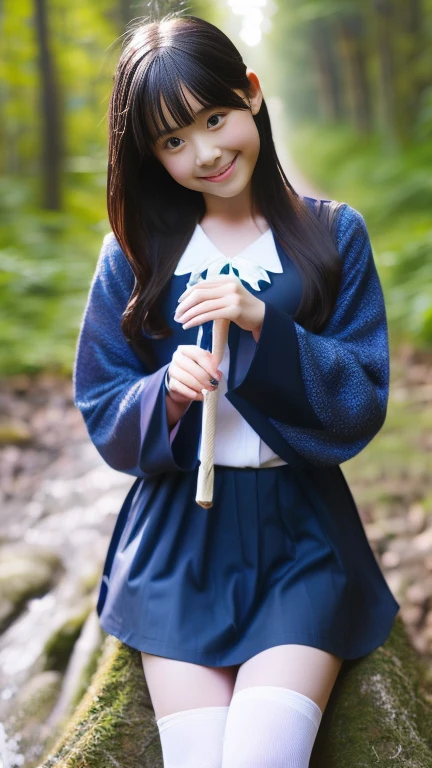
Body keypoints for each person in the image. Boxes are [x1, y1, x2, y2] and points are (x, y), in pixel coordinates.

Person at [73, 12, 400, 768]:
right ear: (150, 155)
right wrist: (168, 394)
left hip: (303, 541)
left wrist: (264, 327)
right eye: (173, 140)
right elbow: (101, 405)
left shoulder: (332, 236)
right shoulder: (133, 256)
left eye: (214, 117)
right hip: (176, 545)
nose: (206, 152)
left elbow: (364, 392)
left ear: (251, 94)